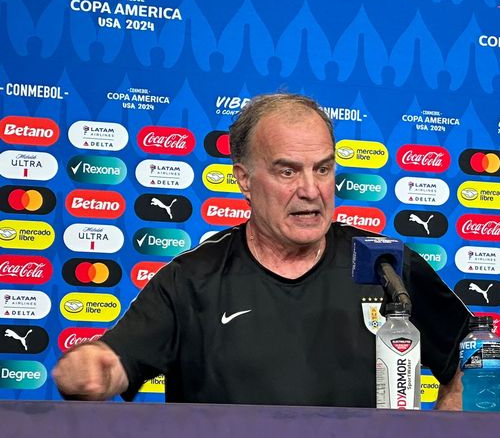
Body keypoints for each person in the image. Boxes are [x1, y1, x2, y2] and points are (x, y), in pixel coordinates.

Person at [52, 93, 471, 408]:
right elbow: (116, 363)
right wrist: (90, 368)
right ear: (244, 179)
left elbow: (473, 354)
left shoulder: (386, 265)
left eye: (323, 169)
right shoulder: (192, 280)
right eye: (287, 171)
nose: (311, 190)